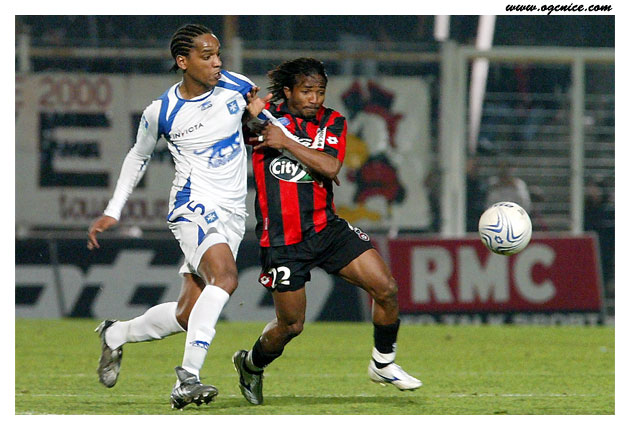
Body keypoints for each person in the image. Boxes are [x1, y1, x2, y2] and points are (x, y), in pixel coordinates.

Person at [87, 23, 270, 409]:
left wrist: (259, 119)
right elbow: (137, 156)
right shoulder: (162, 111)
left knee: (188, 315)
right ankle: (188, 378)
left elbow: (261, 131)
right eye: (207, 56)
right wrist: (113, 210)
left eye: (218, 54)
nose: (217, 63)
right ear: (183, 62)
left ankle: (115, 334)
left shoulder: (238, 86)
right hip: (192, 206)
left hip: (233, 212)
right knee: (225, 278)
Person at [231, 58, 422, 406]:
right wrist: (245, 113)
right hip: (283, 240)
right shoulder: (263, 120)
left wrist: (285, 142)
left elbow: (331, 166)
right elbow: (226, 128)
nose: (314, 98)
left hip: (325, 228)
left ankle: (383, 363)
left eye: (320, 91)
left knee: (386, 288)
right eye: (306, 91)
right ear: (288, 91)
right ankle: (250, 365)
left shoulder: (332, 121)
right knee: (291, 326)